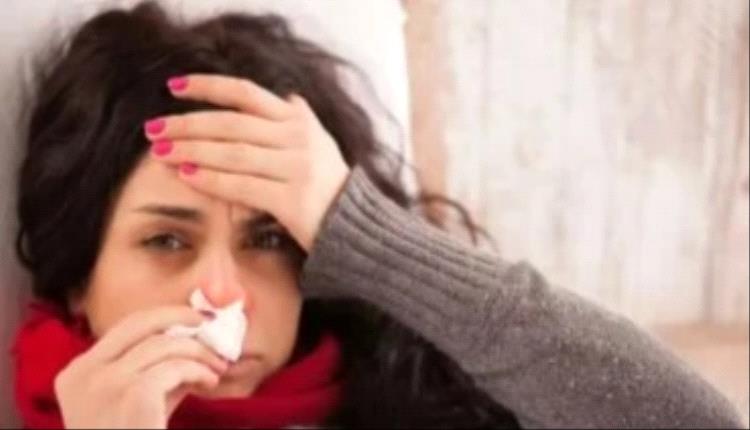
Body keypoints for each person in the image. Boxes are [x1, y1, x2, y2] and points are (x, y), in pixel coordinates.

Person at [11, 2, 743, 428]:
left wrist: (362, 231)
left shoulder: (412, 404)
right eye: (167, 239)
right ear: (79, 277)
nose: (223, 296)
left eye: (269, 236)